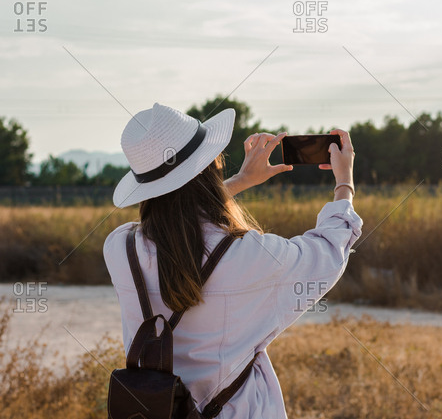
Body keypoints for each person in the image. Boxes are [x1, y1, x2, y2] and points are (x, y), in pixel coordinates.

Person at [103, 103, 362, 418]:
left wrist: (240, 181)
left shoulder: (120, 248)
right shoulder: (249, 256)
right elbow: (327, 253)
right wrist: (344, 183)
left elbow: (179, 218)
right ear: (213, 164)